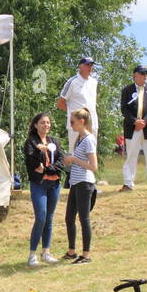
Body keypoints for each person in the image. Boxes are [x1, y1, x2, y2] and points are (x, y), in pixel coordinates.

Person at [22, 112, 63, 266]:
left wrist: (46, 169)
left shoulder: (55, 142)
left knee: (49, 218)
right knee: (41, 217)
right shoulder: (31, 142)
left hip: (54, 184)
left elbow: (61, 161)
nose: (46, 125)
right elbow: (31, 164)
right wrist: (40, 151)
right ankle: (32, 255)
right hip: (39, 184)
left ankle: (46, 252)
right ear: (35, 125)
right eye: (42, 123)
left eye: (47, 122)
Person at [61, 108, 98, 264]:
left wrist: (74, 160)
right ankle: (72, 251)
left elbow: (93, 166)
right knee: (69, 217)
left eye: (73, 122)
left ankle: (86, 254)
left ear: (82, 121)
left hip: (85, 182)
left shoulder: (89, 139)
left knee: (84, 218)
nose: (71, 125)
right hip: (76, 182)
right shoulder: (80, 138)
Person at [120, 64, 147, 191]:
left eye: (146, 74)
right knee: (131, 155)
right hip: (132, 128)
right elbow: (124, 109)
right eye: (142, 74)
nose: (145, 76)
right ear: (135, 76)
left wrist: (145, 121)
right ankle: (128, 184)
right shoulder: (127, 90)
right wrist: (134, 122)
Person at [57, 57, 98, 152]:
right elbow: (60, 103)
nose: (90, 67)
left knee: (91, 152)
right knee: (75, 153)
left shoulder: (94, 82)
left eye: (91, 65)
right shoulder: (72, 82)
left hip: (92, 124)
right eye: (87, 65)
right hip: (76, 125)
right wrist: (74, 116)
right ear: (80, 66)